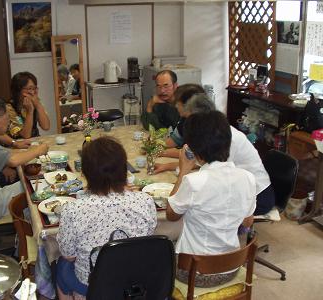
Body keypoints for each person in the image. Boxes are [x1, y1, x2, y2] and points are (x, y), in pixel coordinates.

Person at [55, 136, 157, 299]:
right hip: (134, 284)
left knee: (61, 265)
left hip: (92, 287)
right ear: (124, 170)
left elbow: (69, 255)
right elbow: (146, 239)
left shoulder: (73, 209)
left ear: (85, 173)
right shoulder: (145, 200)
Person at [167, 110, 256, 288]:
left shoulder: (194, 181)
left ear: (194, 149)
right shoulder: (248, 177)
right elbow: (247, 222)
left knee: (160, 247)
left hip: (194, 272)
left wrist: (183, 170)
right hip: (231, 266)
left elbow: (171, 215)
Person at [155, 90, 274, 216]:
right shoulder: (212, 132)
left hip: (257, 195)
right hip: (237, 189)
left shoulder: (226, 138)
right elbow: (193, 159)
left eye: (192, 119)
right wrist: (166, 165)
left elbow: (210, 173)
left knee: (195, 210)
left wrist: (181, 180)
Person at [7, 72, 50, 139]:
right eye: (29, 89)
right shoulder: (9, 107)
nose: (32, 93)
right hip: (18, 145)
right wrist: (30, 111)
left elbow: (46, 126)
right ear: (18, 90)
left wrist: (38, 105)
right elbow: (25, 135)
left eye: (34, 88)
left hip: (34, 142)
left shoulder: (35, 101)